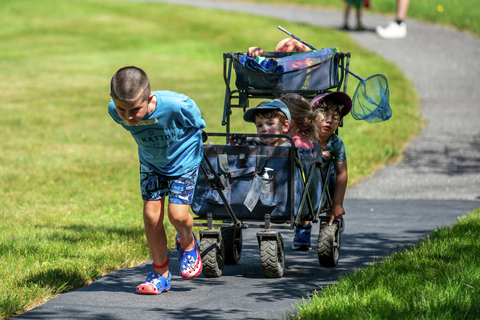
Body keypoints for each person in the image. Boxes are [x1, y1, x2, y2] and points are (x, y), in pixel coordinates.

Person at [108, 66, 206, 295]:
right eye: (122, 109)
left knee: (177, 215)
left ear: (150, 98)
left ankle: (188, 243)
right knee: (151, 218)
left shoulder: (178, 105)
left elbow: (198, 125)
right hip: (152, 164)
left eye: (135, 110)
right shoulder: (114, 110)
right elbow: (128, 115)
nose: (128, 117)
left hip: (183, 162)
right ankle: (161, 273)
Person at [309, 91, 351, 241]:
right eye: (324, 116)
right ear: (312, 118)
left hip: (326, 179)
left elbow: (342, 173)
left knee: (333, 172)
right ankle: (303, 226)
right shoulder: (304, 137)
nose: (329, 121)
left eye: (334, 118)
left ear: (339, 122)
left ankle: (332, 214)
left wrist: (338, 204)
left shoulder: (336, 143)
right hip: (306, 180)